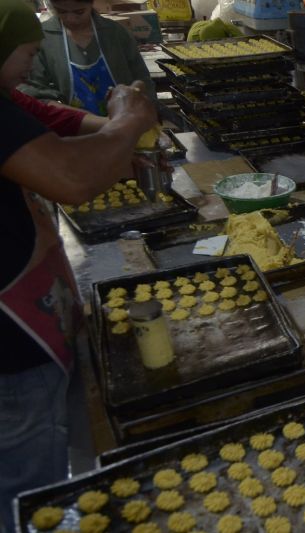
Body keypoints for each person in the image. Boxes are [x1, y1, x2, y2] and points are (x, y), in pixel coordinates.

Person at [0, 2, 157, 530]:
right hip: (9, 341)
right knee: (26, 483)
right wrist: (129, 123)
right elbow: (69, 179)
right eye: (24, 54)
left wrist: (112, 130)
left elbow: (49, 119)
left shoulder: (5, 100)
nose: (30, 62)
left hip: (26, 307)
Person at [18, 0, 155, 114]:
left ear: (91, 4)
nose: (70, 18)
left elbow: (141, 77)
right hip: (71, 128)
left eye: (79, 12)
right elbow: (36, 91)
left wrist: (148, 109)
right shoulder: (44, 37)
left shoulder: (114, 33)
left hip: (125, 121)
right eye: (62, 11)